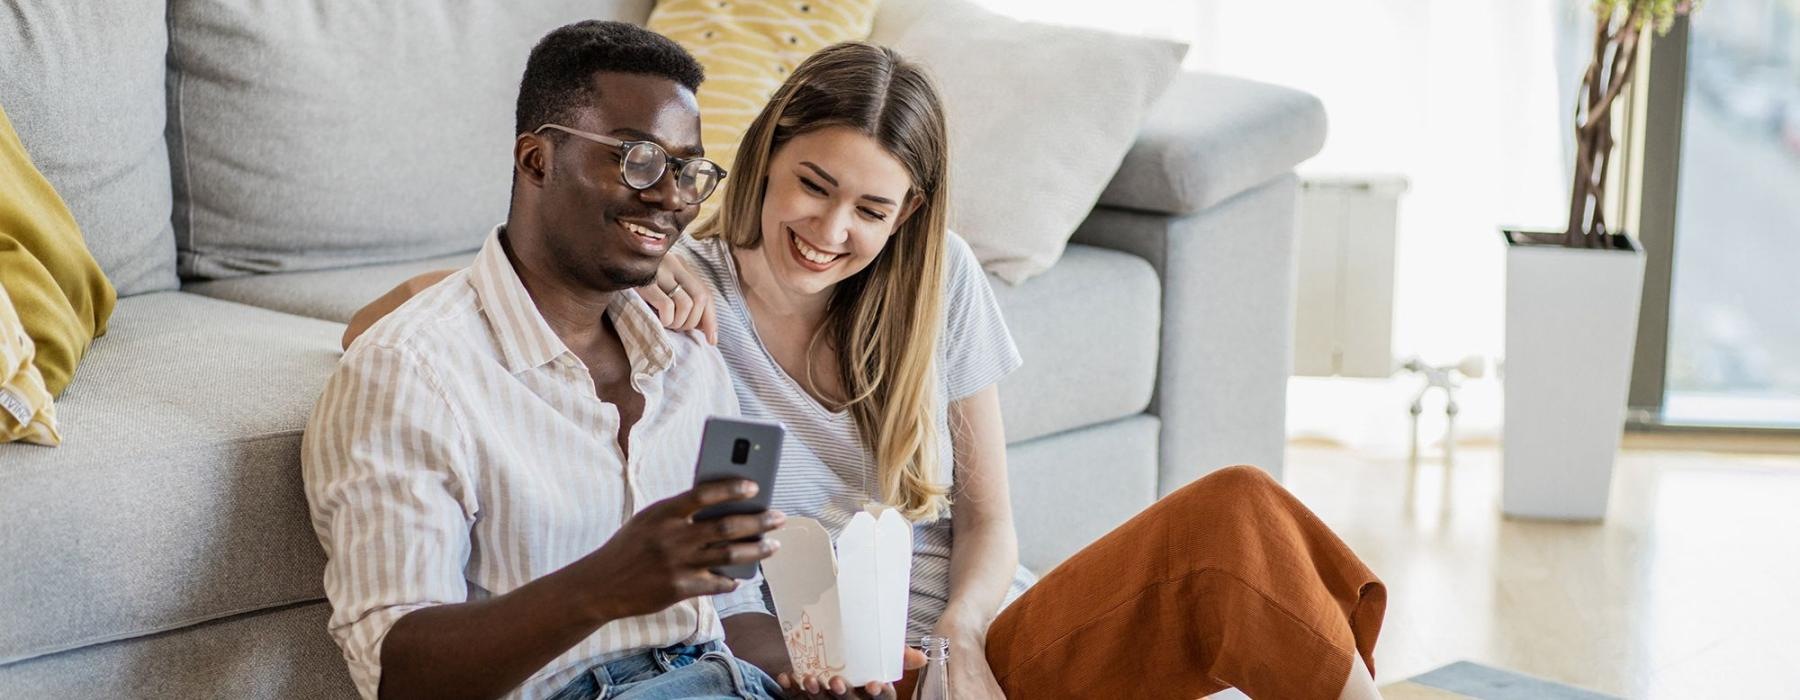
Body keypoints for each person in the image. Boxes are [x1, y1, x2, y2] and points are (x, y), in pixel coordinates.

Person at [348, 40, 1387, 700]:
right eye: (814, 185)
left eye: (873, 211)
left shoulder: (943, 286)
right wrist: (645, 283)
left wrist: (965, 641)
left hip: (981, 647)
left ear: (910, 218)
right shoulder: (677, 287)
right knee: (1239, 552)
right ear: (771, 151)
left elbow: (989, 521)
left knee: (1242, 524)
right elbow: (410, 317)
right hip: (837, 667)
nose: (831, 229)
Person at [303, 21, 922, 700]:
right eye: (639, 160)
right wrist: (604, 585)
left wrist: (809, 674)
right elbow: (399, 677)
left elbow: (732, 606)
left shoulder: (690, 356)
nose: (671, 197)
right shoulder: (410, 373)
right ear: (537, 160)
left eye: (688, 172)